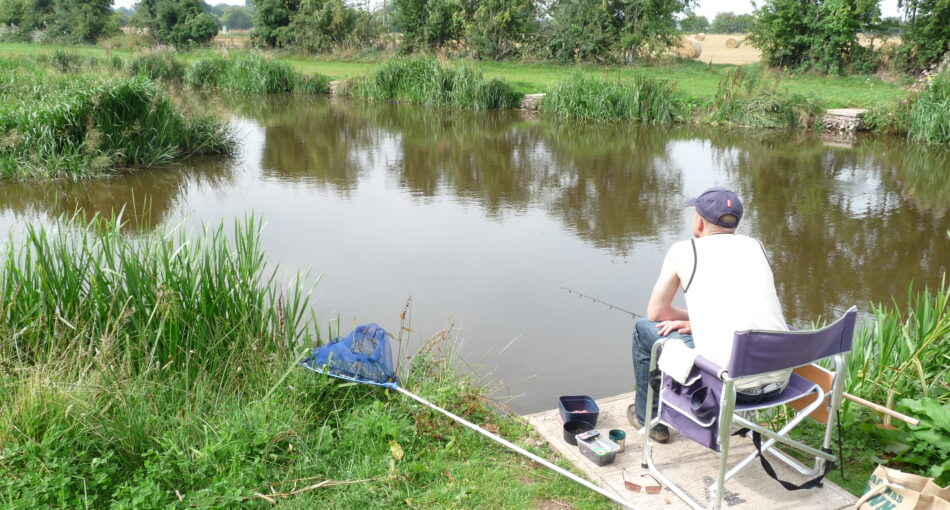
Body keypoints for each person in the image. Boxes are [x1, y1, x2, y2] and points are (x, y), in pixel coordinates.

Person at [629, 187, 789, 443]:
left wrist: (697, 321)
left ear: (700, 222)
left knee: (644, 327)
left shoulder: (685, 250)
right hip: (779, 384)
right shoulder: (756, 246)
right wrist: (700, 322)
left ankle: (646, 417)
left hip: (727, 387)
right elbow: (742, 304)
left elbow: (657, 312)